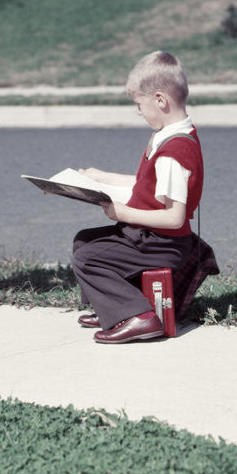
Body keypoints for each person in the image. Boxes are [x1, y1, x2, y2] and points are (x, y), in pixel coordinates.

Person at [71, 51, 212, 344]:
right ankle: (111, 307)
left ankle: (139, 316)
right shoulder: (170, 135)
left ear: (160, 100)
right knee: (84, 239)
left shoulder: (175, 152)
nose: (138, 111)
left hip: (162, 243)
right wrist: (100, 177)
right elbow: (146, 185)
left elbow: (173, 218)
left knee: (87, 258)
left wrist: (121, 213)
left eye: (139, 104)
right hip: (151, 237)